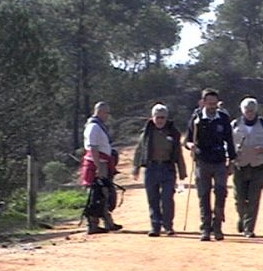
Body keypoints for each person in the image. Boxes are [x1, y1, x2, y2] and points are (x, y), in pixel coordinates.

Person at [185, 88, 236, 241]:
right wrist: (190, 146)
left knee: (221, 193)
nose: (212, 106)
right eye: (209, 103)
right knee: (203, 195)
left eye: (215, 103)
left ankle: (218, 226)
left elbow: (230, 141)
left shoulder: (223, 118)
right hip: (202, 161)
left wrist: (232, 161)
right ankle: (205, 228)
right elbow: (187, 140)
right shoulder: (196, 119)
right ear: (203, 102)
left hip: (220, 161)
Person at [133, 103, 187, 237]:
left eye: (162, 117)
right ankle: (155, 226)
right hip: (151, 168)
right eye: (157, 117)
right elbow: (139, 151)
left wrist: (182, 171)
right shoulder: (146, 134)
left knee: (167, 198)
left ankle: (168, 225)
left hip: (167, 168)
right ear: (152, 118)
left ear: (166, 118)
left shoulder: (173, 133)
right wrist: (136, 168)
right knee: (153, 199)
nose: (160, 120)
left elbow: (178, 153)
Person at [231, 97, 263, 238]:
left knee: (253, 199)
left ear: (256, 110)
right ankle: (242, 217)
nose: (250, 113)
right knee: (239, 199)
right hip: (240, 166)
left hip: (259, 167)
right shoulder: (234, 124)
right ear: (242, 111)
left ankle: (249, 228)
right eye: (247, 110)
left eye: (252, 110)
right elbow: (226, 143)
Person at [80, 101, 123, 234]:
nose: (107, 115)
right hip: (98, 164)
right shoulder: (93, 127)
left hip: (103, 162)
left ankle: (108, 222)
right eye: (106, 112)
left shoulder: (98, 126)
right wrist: (99, 166)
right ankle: (93, 225)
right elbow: (93, 148)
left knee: (105, 193)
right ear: (99, 112)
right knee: (97, 194)